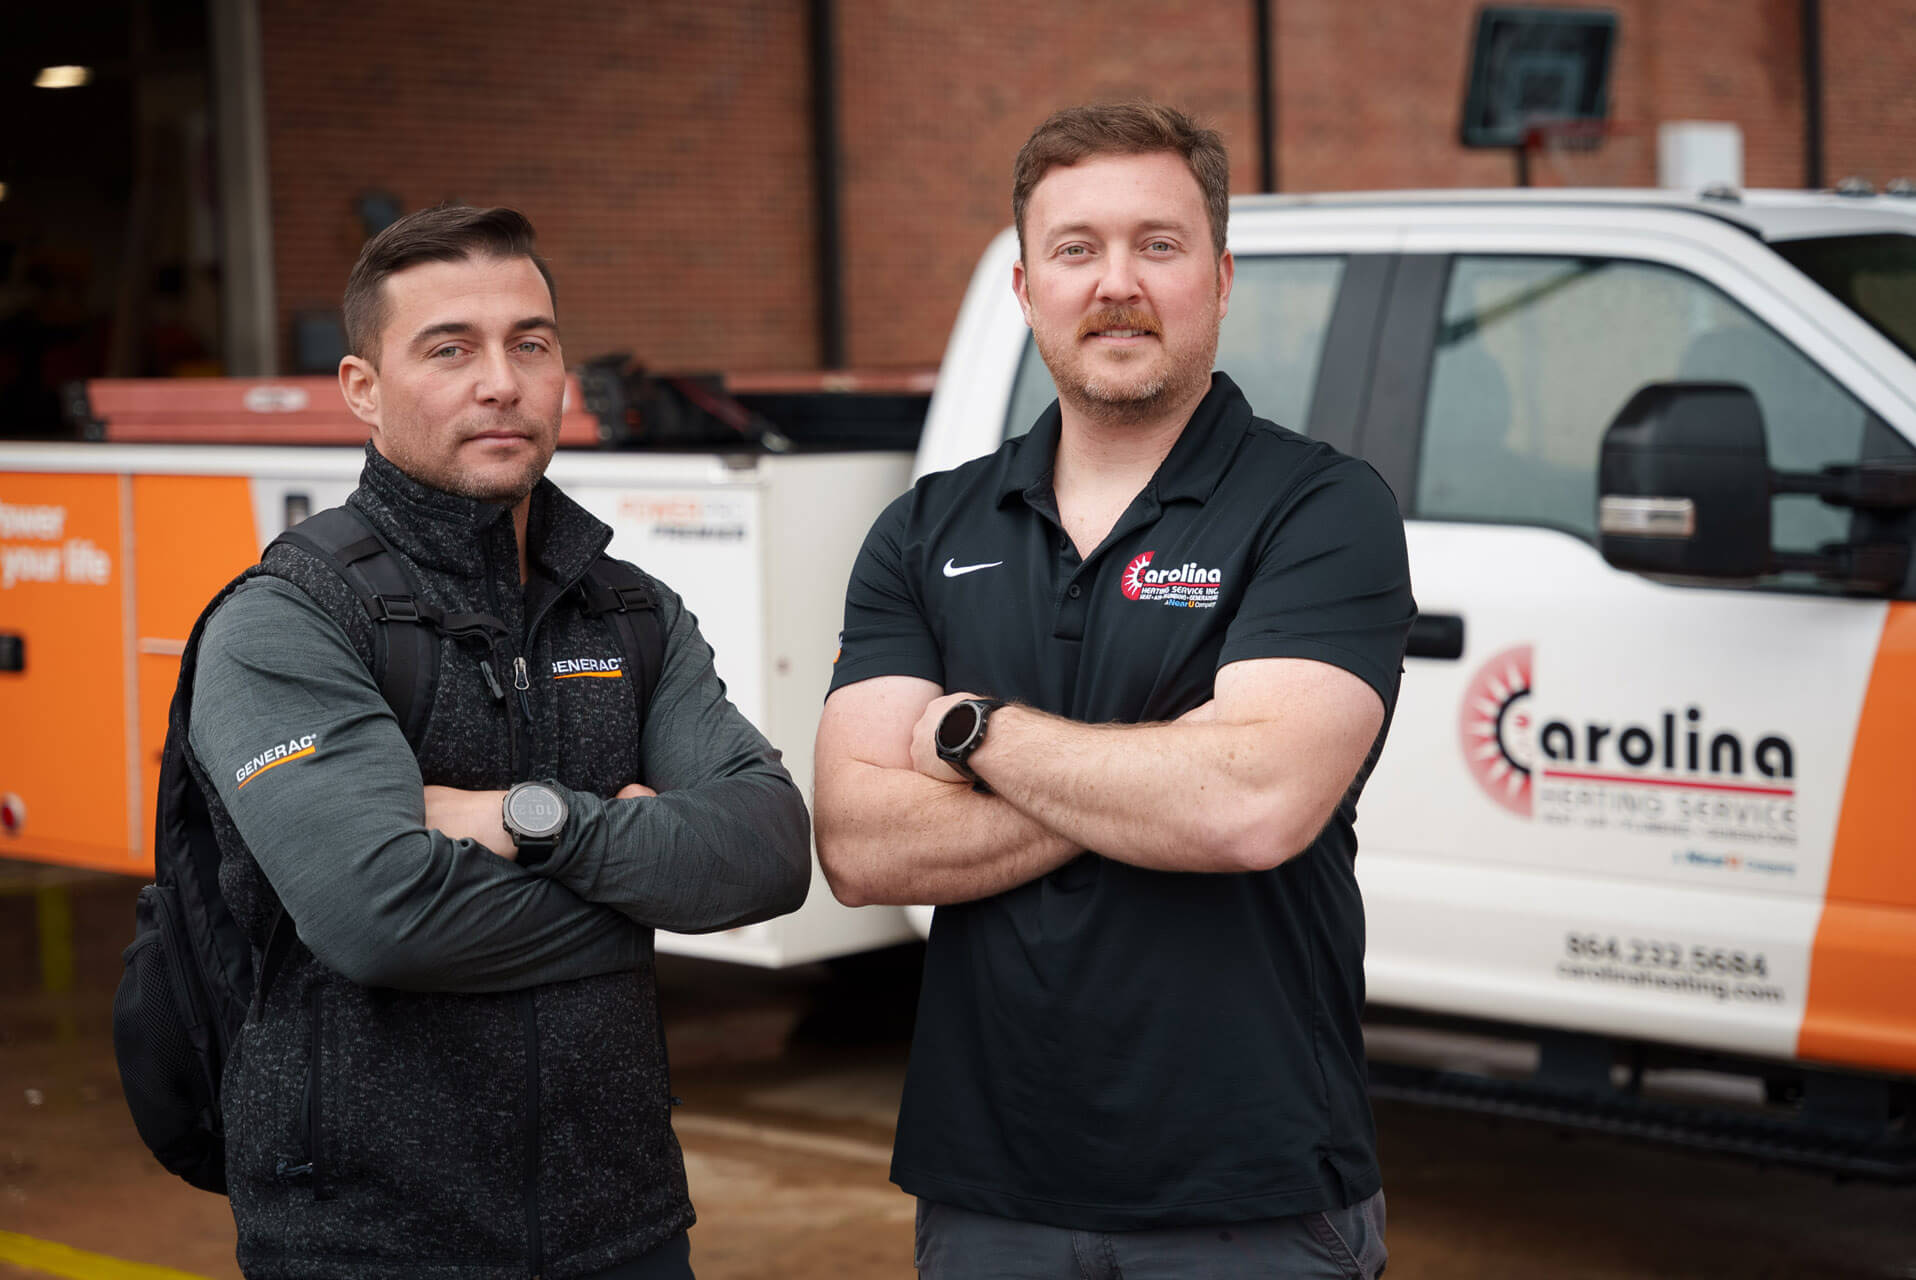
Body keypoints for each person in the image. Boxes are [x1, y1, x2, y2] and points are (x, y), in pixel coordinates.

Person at [815, 103, 1414, 1278]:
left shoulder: (1320, 507)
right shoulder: (925, 528)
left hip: (1252, 1192)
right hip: (988, 1189)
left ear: (1222, 276)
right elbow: (857, 844)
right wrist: (1157, 767)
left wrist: (966, 728)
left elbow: (1247, 808)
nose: (1116, 283)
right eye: (1076, 249)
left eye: (1159, 244)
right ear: (1026, 285)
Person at [189, 204, 810, 1279]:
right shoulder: (286, 620)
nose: (500, 380)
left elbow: (768, 852)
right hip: (366, 1243)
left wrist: (535, 819)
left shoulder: (627, 613)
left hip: (622, 1226)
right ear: (361, 389)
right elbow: (380, 918)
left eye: (530, 343)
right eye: (449, 348)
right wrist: (639, 884)